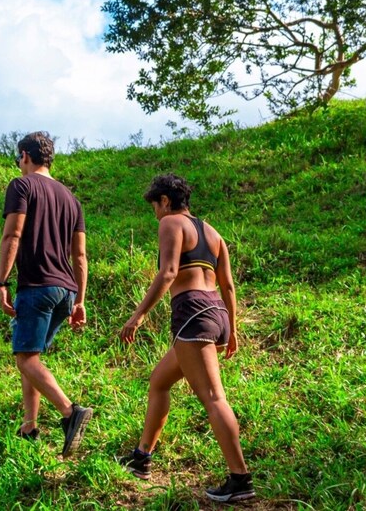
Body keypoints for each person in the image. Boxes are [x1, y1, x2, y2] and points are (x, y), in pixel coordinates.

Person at [118, 174, 254, 503]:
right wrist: (232, 329)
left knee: (213, 397)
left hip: (192, 312)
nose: (155, 213)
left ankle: (240, 479)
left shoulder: (171, 223)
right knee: (159, 381)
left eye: (154, 206)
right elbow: (229, 286)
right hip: (215, 312)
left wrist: (138, 316)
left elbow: (167, 273)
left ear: (165, 201)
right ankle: (142, 458)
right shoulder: (213, 233)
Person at [0, 131, 92, 456]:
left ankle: (70, 412)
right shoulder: (71, 198)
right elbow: (80, 256)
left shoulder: (21, 186)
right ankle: (29, 426)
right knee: (32, 355)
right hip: (65, 290)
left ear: (24, 155)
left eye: (18, 159)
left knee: (25, 357)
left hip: (37, 287)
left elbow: (13, 235)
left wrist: (2, 282)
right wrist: (79, 299)